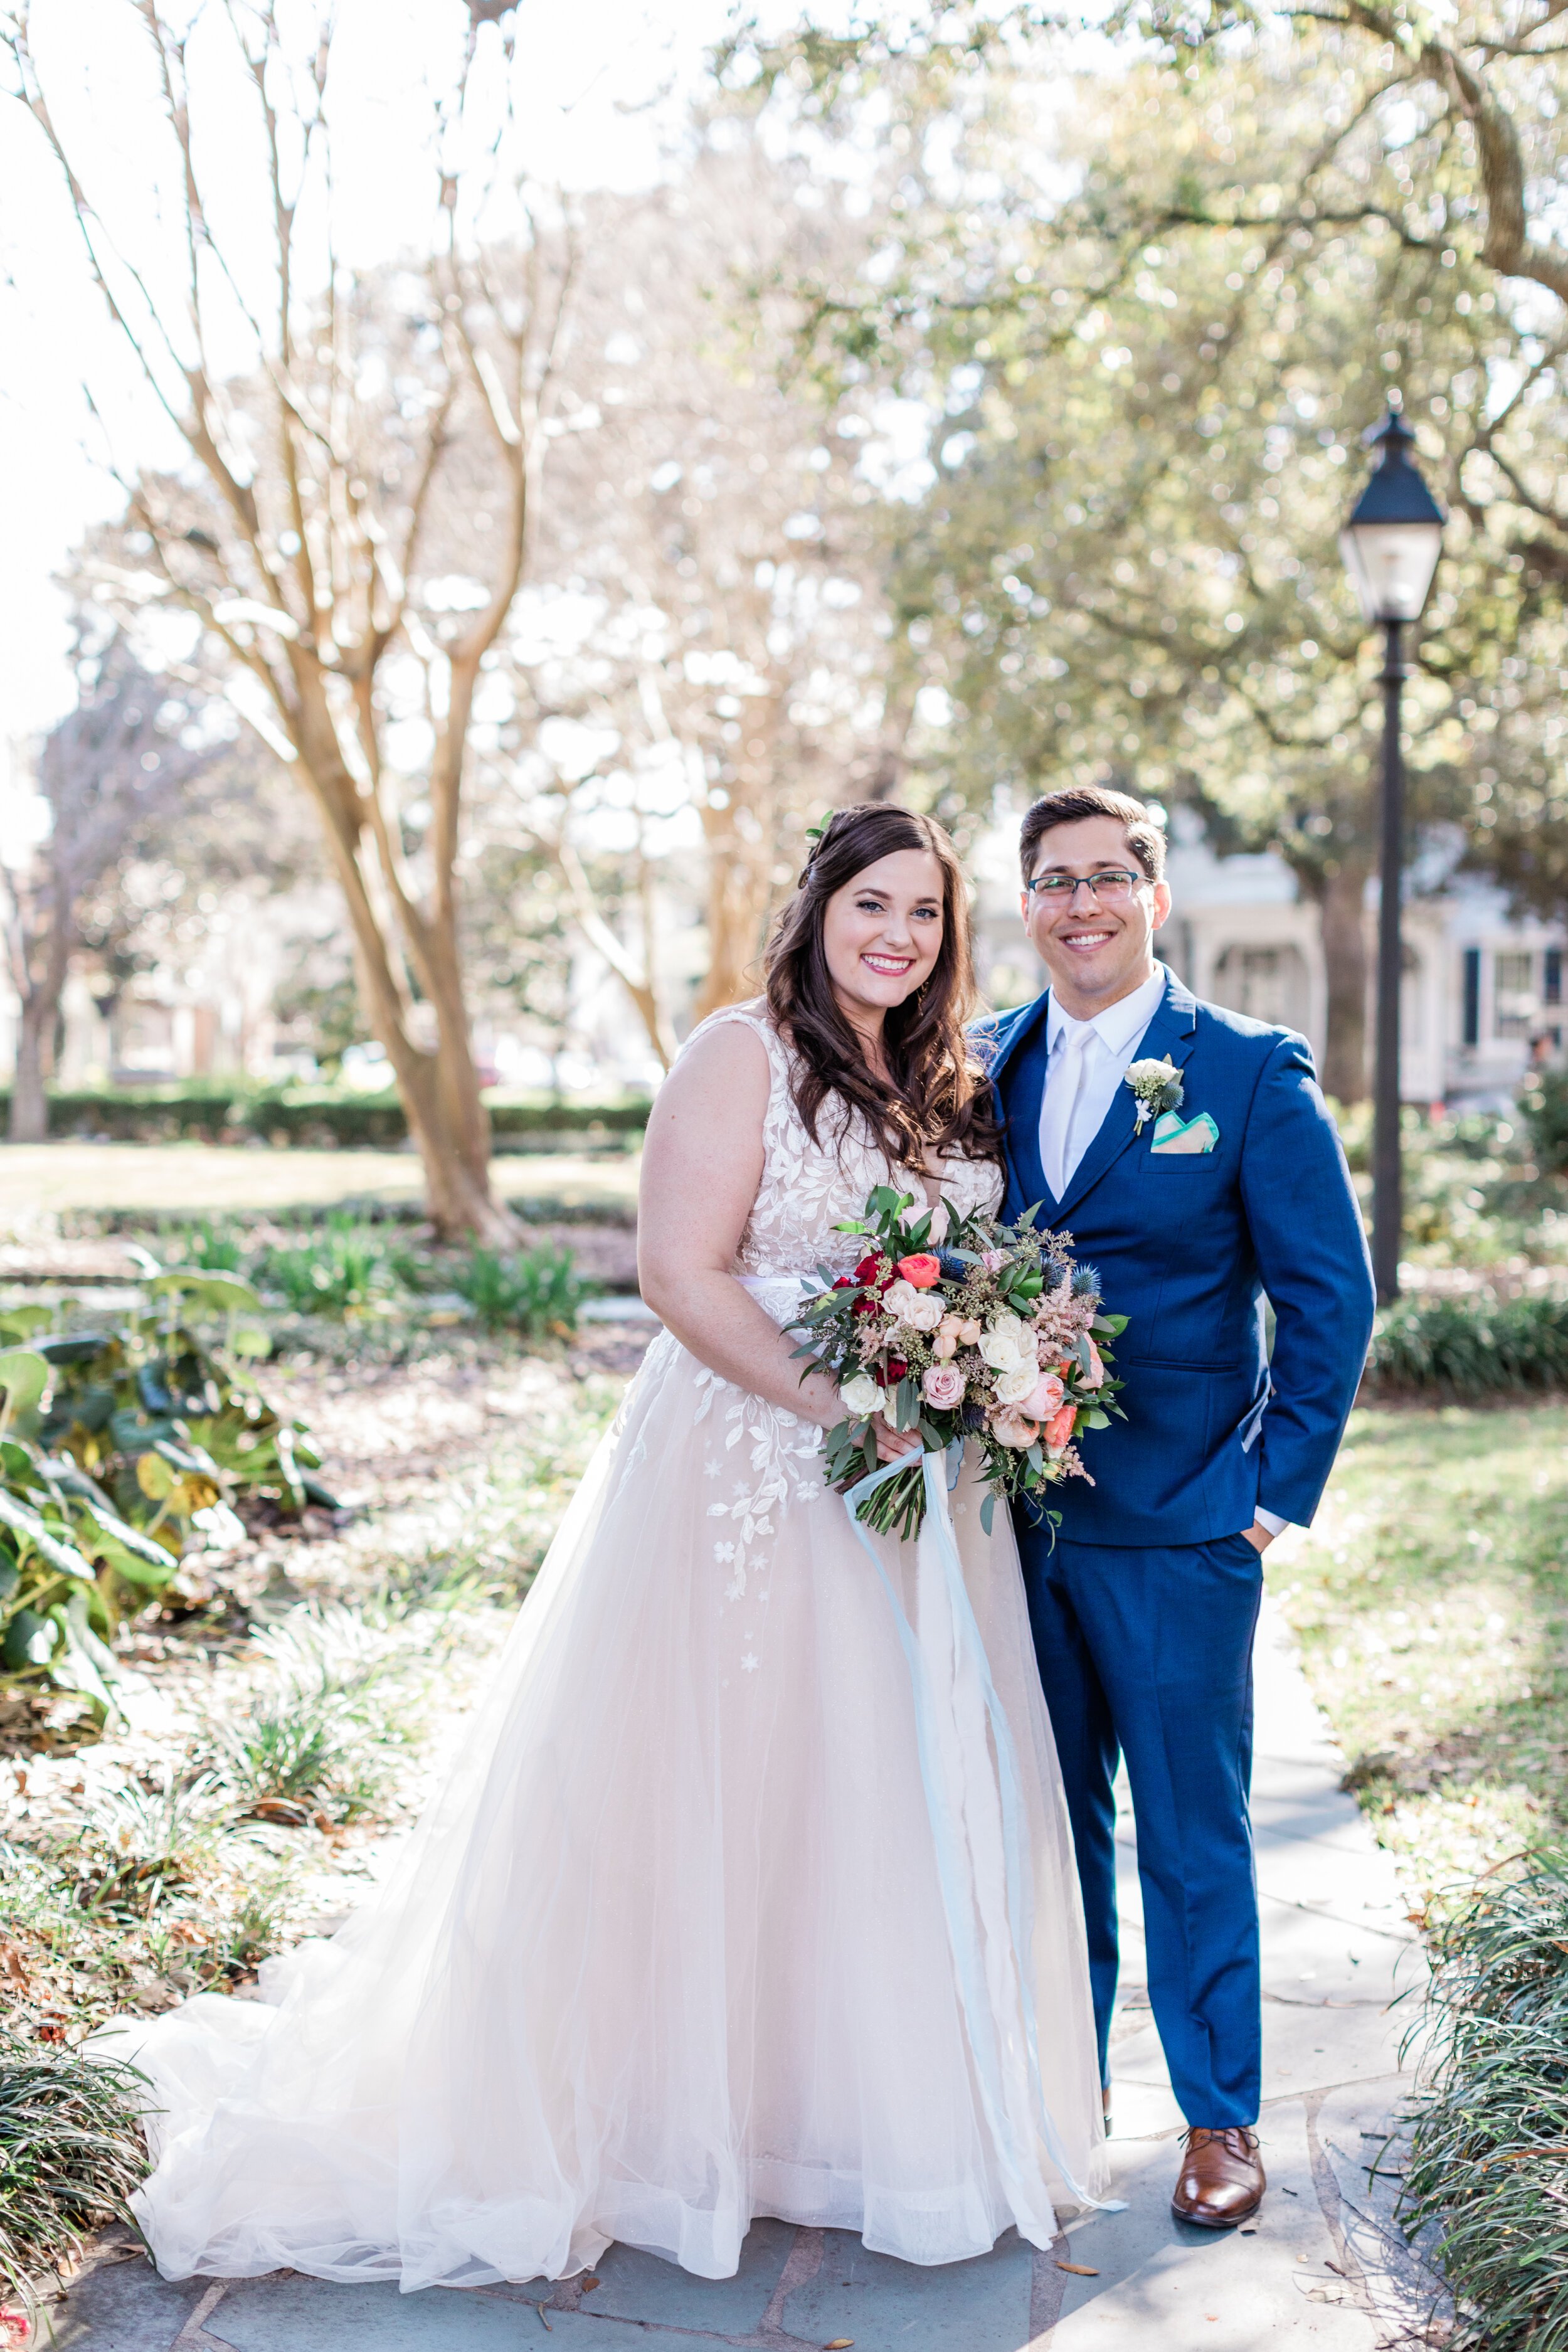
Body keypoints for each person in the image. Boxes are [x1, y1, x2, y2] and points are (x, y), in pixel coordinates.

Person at [97, 803, 1105, 2292]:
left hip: (917, 1491)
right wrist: (845, 1405)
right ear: (817, 904)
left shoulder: (950, 1081)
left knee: (869, 1792)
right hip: (754, 1469)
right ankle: (657, 2120)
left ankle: (817, 2116)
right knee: (727, 1780)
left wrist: (975, 1366)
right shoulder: (738, 1053)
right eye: (871, 902)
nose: (897, 933)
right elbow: (676, 1272)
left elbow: (963, 1266)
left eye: (925, 914)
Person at [978, 783, 1374, 2231]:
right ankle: (1060, 2103)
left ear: (1153, 897)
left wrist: (1269, 1498)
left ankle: (1219, 2121)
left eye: (1104, 877)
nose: (1078, 904)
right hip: (1010, 1528)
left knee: (1192, 1833)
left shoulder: (1248, 1073)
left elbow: (1327, 1298)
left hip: (1184, 1526)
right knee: (1044, 1829)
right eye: (1051, 881)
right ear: (1023, 907)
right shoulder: (980, 1067)